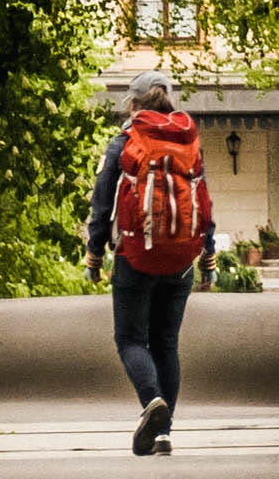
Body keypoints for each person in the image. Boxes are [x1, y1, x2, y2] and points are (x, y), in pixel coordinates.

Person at [83, 70, 217, 454]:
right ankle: (163, 434)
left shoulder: (123, 143)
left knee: (130, 339)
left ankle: (151, 401)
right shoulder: (189, 141)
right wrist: (207, 257)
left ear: (133, 103)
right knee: (166, 344)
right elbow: (203, 201)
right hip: (181, 261)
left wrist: (94, 255)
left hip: (135, 256)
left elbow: (102, 206)